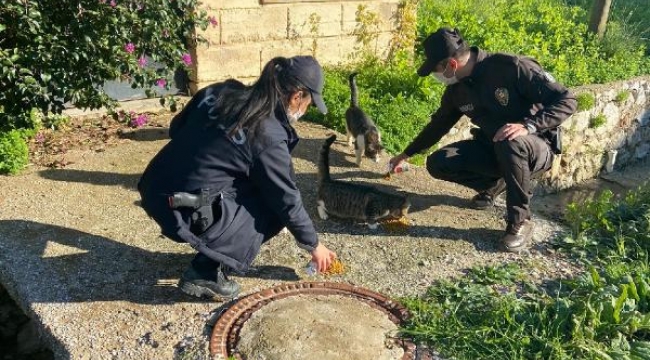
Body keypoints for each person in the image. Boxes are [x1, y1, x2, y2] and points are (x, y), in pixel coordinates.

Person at [138, 55, 337, 299]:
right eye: (309, 104)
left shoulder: (219, 91)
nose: (305, 110)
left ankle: (209, 243)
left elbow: (177, 128)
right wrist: (314, 245)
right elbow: (287, 199)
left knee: (253, 180)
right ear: (297, 96)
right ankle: (205, 272)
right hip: (182, 208)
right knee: (271, 205)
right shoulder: (268, 134)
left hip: (154, 187)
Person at [389, 28, 577, 252]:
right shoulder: (456, 90)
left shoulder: (512, 67)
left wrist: (529, 126)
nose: (435, 75)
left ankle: (520, 221)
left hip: (534, 145)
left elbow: (567, 100)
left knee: (510, 139)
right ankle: (495, 184)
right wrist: (406, 154)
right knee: (439, 163)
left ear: (451, 64)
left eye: (436, 69)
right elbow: (438, 125)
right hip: (492, 146)